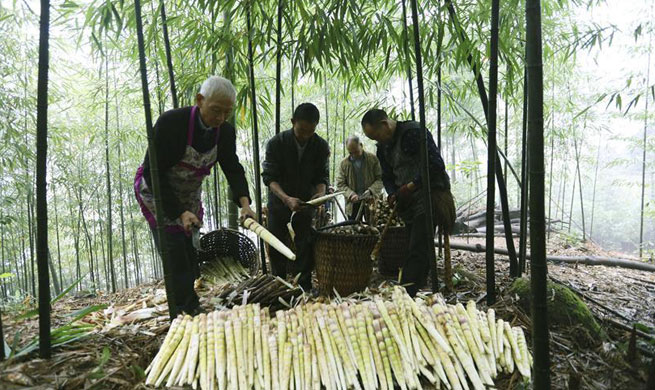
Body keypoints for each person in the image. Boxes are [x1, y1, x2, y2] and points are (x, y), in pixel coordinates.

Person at [134, 76, 256, 316]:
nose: (220, 118)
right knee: (174, 254)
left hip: (189, 194)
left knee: (190, 255)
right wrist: (178, 212)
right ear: (200, 100)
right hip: (158, 192)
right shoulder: (171, 123)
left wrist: (245, 204)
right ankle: (184, 312)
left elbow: (232, 167)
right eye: (215, 110)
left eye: (227, 112)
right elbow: (152, 170)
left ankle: (189, 300)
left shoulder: (225, 132)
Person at [361, 109, 455, 296]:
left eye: (376, 136)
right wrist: (393, 192)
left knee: (418, 245)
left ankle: (405, 293)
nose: (377, 141)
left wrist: (410, 186)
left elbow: (435, 165)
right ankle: (417, 287)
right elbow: (387, 176)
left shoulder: (413, 133)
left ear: (385, 124)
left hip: (430, 195)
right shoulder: (383, 147)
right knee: (416, 244)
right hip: (408, 201)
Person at [262, 103, 329, 291]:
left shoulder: (320, 146)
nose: (305, 136)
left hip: (305, 204)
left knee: (305, 245)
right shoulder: (276, 143)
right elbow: (270, 178)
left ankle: (304, 287)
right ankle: (279, 285)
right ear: (293, 122)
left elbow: (322, 176)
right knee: (276, 245)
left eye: (310, 131)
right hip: (279, 203)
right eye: (301, 130)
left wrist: (320, 193)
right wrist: (286, 199)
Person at [337, 135, 383, 220]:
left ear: (361, 145)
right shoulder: (344, 164)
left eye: (356, 152)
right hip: (352, 204)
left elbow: (380, 179)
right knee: (353, 228)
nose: (354, 155)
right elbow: (340, 184)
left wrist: (371, 191)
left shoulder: (372, 159)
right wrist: (350, 194)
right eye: (351, 153)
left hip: (370, 202)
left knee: (372, 228)